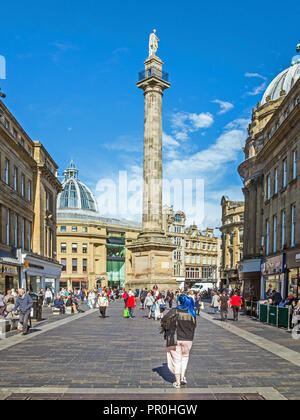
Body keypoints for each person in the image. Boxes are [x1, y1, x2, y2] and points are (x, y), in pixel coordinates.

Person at [160, 294, 197, 389]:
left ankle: (177, 382)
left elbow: (164, 320)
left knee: (177, 360)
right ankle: (183, 377)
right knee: (185, 357)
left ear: (179, 301)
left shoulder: (175, 310)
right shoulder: (192, 312)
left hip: (175, 339)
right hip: (188, 339)